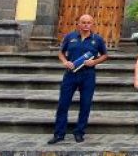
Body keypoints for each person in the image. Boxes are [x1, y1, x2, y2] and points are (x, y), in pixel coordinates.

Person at [47, 14, 109, 144]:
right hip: (70, 75)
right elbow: (61, 53)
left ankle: (79, 132)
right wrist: (65, 62)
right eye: (83, 22)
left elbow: (104, 55)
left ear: (92, 24)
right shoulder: (70, 37)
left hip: (88, 75)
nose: (86, 25)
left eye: (89, 22)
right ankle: (59, 134)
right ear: (78, 24)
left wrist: (95, 62)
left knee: (85, 105)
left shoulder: (97, 39)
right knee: (63, 104)